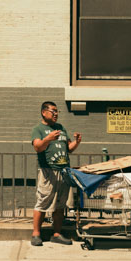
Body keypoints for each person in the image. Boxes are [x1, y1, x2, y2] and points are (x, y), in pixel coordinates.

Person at [30, 101, 81, 246]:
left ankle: (56, 234)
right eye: (53, 111)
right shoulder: (38, 129)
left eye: (57, 111)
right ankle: (36, 234)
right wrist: (47, 139)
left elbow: (69, 148)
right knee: (43, 202)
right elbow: (37, 147)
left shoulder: (61, 128)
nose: (56, 114)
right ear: (43, 112)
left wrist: (76, 142)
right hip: (48, 172)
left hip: (64, 171)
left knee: (60, 205)